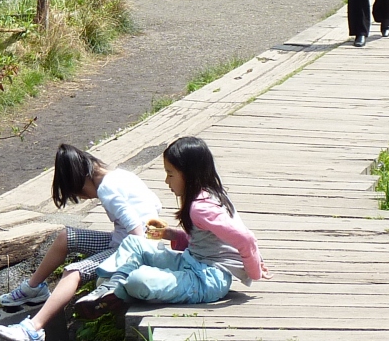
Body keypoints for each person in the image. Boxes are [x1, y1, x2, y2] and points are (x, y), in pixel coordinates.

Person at [71, 136, 267, 319]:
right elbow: (207, 240)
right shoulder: (206, 196)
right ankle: (113, 287)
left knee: (138, 280)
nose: (167, 181)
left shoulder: (201, 208)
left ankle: (118, 290)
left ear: (189, 174)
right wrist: (170, 234)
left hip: (207, 280)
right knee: (134, 242)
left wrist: (254, 272)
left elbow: (245, 239)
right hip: (191, 262)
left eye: (170, 174)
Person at [0, 144, 162, 341]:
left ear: (82, 180)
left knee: (74, 271)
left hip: (133, 250)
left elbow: (135, 228)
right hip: (134, 242)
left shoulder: (106, 189)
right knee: (66, 236)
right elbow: (156, 204)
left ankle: (32, 328)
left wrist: (133, 260)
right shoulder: (122, 175)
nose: (84, 198)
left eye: (79, 193)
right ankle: (33, 288)